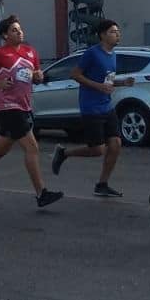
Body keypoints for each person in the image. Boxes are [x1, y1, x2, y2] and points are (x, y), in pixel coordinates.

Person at [0, 15, 63, 207]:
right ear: (5, 35)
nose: (19, 32)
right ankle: (42, 193)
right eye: (14, 30)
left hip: (24, 105)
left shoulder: (30, 52)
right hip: (7, 106)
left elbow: (35, 77)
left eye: (20, 29)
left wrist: (39, 77)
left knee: (1, 149)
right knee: (32, 147)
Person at [50, 20, 136, 196]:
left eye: (118, 31)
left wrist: (122, 82)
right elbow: (75, 74)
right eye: (113, 32)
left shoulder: (113, 54)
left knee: (116, 144)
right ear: (102, 35)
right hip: (91, 107)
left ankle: (102, 184)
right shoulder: (92, 53)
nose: (117, 34)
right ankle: (64, 153)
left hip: (107, 106)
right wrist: (98, 87)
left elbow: (108, 81)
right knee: (98, 150)